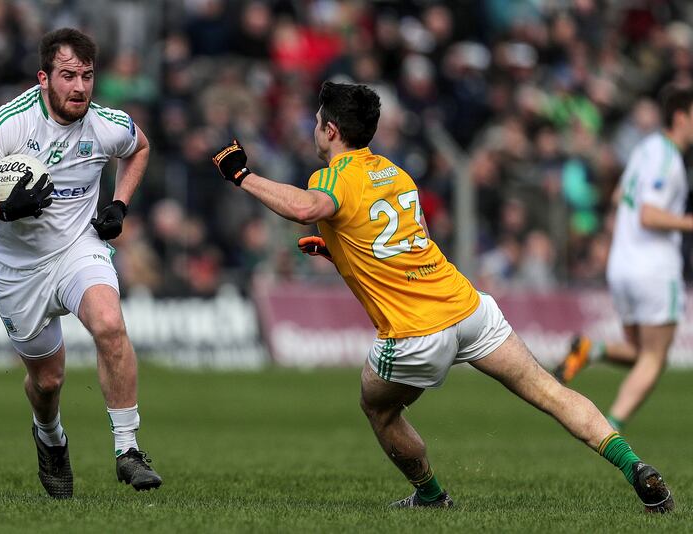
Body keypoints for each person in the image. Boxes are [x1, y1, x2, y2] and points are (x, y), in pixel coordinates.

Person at [211, 81, 673, 512]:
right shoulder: (395, 174)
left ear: (330, 130)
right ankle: (635, 466)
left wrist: (242, 175)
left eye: (317, 122)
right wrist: (340, 255)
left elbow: (305, 209)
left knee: (378, 407)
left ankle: (430, 495)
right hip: (469, 308)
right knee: (551, 392)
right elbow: (409, 246)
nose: (315, 129)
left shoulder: (332, 178)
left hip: (416, 333)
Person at [0, 28, 161, 498]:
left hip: (77, 249)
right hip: (16, 269)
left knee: (108, 323)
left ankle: (128, 450)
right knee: (48, 380)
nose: (79, 87)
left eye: (86, 75)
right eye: (67, 76)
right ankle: (50, 437)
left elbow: (139, 148)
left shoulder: (107, 123)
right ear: (44, 78)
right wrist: (3, 208)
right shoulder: (10, 123)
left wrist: (119, 205)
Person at [555, 86, 693, 432]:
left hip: (623, 264)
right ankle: (608, 429)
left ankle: (592, 349)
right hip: (654, 268)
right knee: (655, 357)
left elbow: (619, 196)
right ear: (680, 117)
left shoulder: (645, 148)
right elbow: (649, 214)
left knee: (637, 349)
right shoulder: (670, 160)